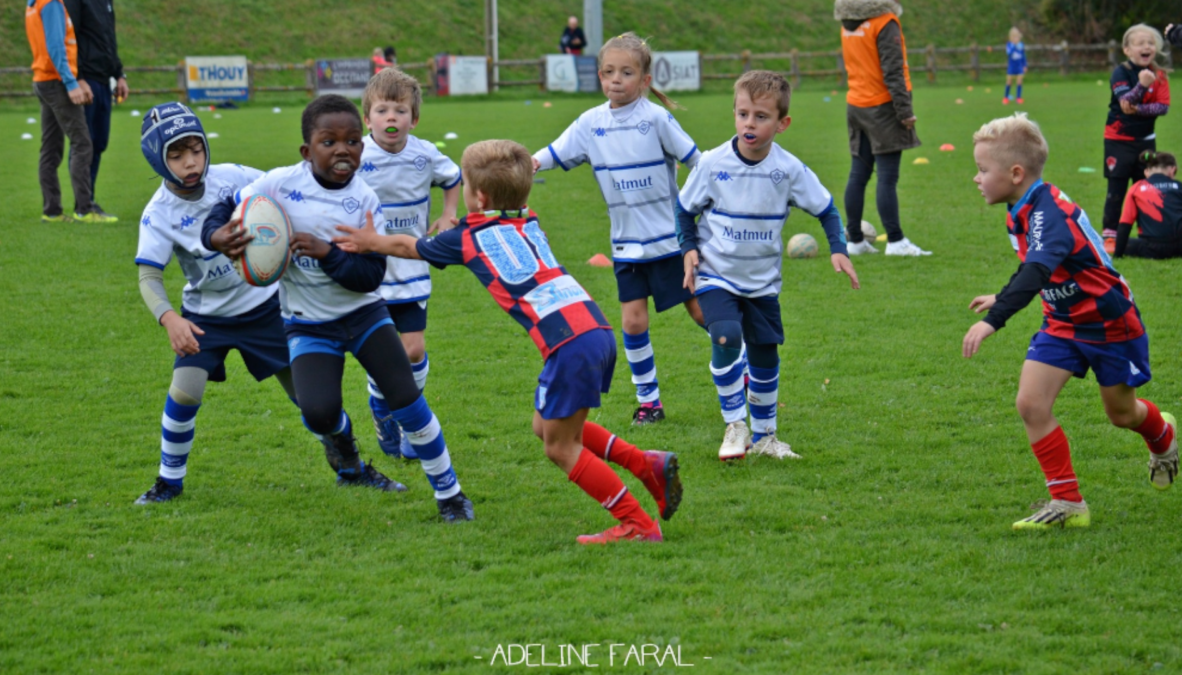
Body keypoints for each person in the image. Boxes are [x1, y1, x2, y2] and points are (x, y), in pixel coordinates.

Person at [334, 139, 681, 544]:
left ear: (478, 197)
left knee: (559, 447)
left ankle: (636, 523)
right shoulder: (528, 219)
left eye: (463, 185)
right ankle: (645, 464)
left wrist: (368, 241)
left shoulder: (468, 236)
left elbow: (409, 246)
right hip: (594, 330)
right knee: (545, 426)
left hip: (569, 344)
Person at [200, 95, 474, 523]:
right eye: (329, 142)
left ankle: (451, 494)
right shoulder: (278, 185)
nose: (343, 149)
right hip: (308, 325)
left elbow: (369, 277)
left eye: (351, 141)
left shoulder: (365, 200)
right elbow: (221, 204)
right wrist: (216, 236)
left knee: (406, 398)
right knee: (318, 412)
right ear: (307, 152)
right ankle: (346, 452)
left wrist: (326, 253)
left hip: (364, 315)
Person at [132, 103, 360, 503]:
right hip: (207, 317)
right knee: (185, 392)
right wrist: (170, 319)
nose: (191, 162)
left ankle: (352, 467)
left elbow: (285, 194)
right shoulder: (158, 213)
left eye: (196, 149)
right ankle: (169, 482)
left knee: (310, 402)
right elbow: (149, 275)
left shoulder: (233, 177)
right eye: (177, 154)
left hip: (267, 309)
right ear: (157, 158)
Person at [964, 113, 1178, 530]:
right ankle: (1067, 502)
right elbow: (1037, 267)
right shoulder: (1020, 207)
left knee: (1122, 414)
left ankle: (1162, 437)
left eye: (982, 170)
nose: (977, 178)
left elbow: (1037, 270)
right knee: (1030, 403)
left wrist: (996, 318)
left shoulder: (1049, 215)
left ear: (1015, 172)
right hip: (1061, 322)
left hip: (1110, 324)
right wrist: (1002, 295)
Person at [677, 71, 860, 461]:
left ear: (782, 124)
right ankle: (735, 425)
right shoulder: (711, 164)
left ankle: (765, 437)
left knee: (765, 356)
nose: (749, 123)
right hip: (715, 275)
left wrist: (838, 248)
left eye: (761, 116)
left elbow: (826, 209)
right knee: (725, 336)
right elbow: (683, 210)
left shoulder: (789, 169)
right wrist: (688, 247)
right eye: (743, 114)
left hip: (761, 284)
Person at [532, 32, 705, 426]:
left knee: (699, 310)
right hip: (627, 247)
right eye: (609, 72)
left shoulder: (656, 118)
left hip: (669, 243)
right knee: (632, 322)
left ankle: (741, 365)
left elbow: (697, 161)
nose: (616, 79)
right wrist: (531, 162)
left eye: (626, 72)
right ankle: (649, 402)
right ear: (599, 76)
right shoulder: (591, 123)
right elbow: (556, 152)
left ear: (644, 80)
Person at [358, 68, 462, 459]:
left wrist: (449, 214)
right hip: (370, 269)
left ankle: (404, 418)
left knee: (414, 350)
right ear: (367, 118)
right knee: (380, 352)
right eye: (382, 110)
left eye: (399, 111)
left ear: (413, 119)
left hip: (413, 264)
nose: (391, 118)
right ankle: (383, 409)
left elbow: (454, 178)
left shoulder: (424, 153)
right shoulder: (357, 156)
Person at [834, 0, 930, 256]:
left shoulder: (848, 22)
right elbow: (893, 70)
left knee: (859, 174)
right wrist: (905, 111)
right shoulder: (884, 22)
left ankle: (854, 241)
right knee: (887, 177)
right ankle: (896, 241)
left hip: (856, 104)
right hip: (882, 106)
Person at [25, 0, 98, 224]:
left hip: (43, 79)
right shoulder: (52, 3)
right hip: (56, 82)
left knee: (50, 147)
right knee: (82, 144)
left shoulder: (33, 4)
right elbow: (55, 46)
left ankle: (52, 211)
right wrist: (70, 82)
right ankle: (85, 210)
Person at [1101, 24, 1171, 250]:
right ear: (1127, 50)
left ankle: (1146, 232)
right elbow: (1125, 103)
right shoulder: (1120, 73)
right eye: (1140, 43)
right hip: (1118, 142)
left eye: (1150, 43)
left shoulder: (1159, 74)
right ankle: (1110, 237)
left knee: (1146, 187)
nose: (1147, 47)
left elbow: (1163, 108)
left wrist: (1137, 108)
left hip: (1146, 141)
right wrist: (1142, 85)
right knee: (1117, 190)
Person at [64, 0, 127, 222]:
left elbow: (109, 39)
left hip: (103, 80)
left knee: (99, 143)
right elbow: (70, 37)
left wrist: (119, 74)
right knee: (85, 143)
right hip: (87, 81)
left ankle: (88, 201)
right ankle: (83, 205)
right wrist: (78, 78)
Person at [1115, 151, 1182, 259]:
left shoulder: (1137, 188)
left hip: (1153, 248)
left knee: (1125, 243)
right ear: (1172, 169)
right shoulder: (1180, 186)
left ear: (1147, 172)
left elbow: (1125, 224)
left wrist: (1118, 254)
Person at [1003, 27, 1027, 105]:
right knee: (1009, 82)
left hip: (1019, 66)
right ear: (1011, 37)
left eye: (1017, 37)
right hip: (1012, 67)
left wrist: (1025, 65)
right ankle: (1006, 97)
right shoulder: (1009, 45)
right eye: (1014, 37)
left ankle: (1018, 98)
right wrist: (1014, 46)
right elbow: (1008, 53)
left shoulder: (1021, 45)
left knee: (1019, 82)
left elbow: (1023, 55)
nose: (1016, 38)